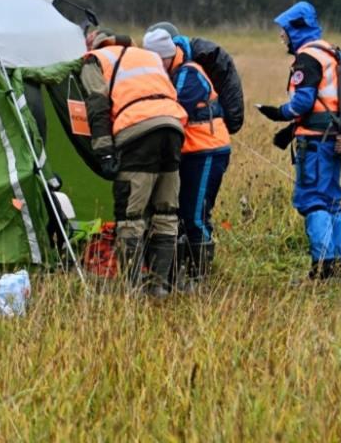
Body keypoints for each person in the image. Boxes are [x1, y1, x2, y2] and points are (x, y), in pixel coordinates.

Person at [82, 26, 187, 298]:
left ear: (94, 43)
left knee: (130, 216)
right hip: (173, 127)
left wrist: (104, 150)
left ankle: (134, 290)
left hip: (137, 133)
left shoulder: (96, 60)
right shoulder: (145, 55)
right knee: (166, 213)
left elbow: (97, 106)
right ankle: (158, 287)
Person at [256, 1, 341, 281]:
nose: (281, 37)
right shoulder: (329, 52)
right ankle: (336, 268)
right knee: (332, 200)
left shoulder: (307, 58)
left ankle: (321, 270)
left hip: (315, 143)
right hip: (332, 137)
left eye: (284, 31)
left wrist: (279, 113)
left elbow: (304, 101)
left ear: (296, 30)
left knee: (313, 201)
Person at [143, 28, 231, 289]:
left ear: (167, 56)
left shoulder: (189, 74)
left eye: (157, 61)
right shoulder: (174, 72)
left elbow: (174, 109)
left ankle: (198, 277)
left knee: (195, 214)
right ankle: (181, 274)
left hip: (206, 151)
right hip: (189, 152)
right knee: (182, 213)